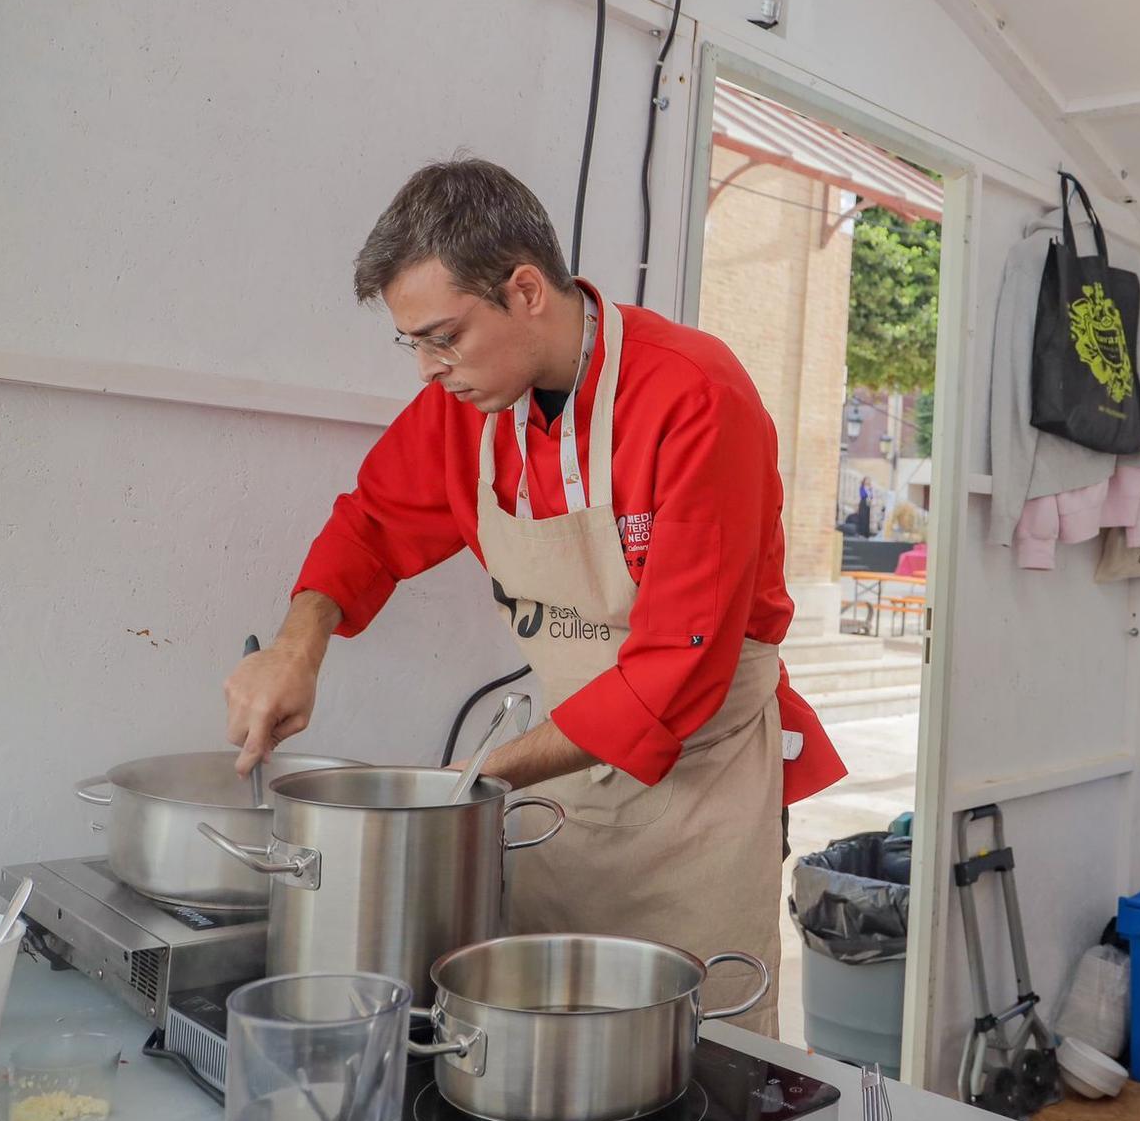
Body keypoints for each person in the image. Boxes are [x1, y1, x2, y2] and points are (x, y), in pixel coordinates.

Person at [223, 158, 845, 1033]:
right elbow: (369, 525)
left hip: (699, 806)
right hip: (562, 795)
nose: (430, 370)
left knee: (690, 1066)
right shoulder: (469, 408)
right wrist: (298, 644)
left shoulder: (696, 399)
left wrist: (465, 783)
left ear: (524, 291)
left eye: (445, 337)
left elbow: (675, 673)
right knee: (544, 1047)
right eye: (415, 346)